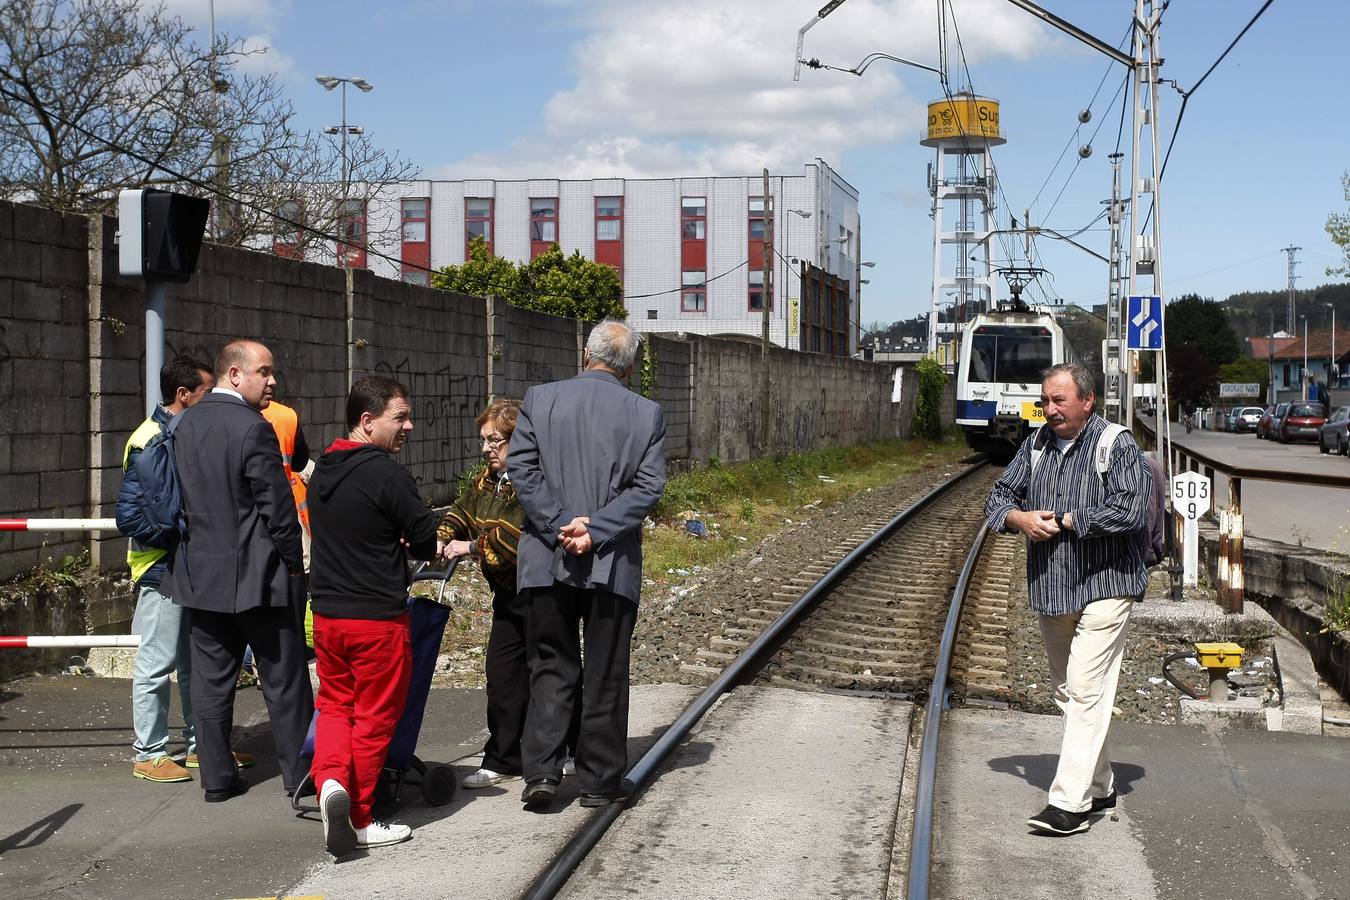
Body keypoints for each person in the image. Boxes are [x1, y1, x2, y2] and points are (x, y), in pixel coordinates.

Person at [984, 363, 1152, 836]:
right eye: (1045, 400)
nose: (1050, 409)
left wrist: (1068, 520)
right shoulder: (1035, 446)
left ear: (1087, 401)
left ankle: (1069, 805)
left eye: (1059, 400)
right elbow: (996, 499)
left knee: (1083, 688)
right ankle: (1101, 784)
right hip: (1054, 587)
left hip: (1108, 583)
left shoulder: (1115, 444)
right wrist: (1019, 519)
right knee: (1070, 692)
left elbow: (1131, 509)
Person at [509, 320, 667, 809]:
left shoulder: (539, 399)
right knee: (606, 669)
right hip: (611, 563)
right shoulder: (646, 413)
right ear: (630, 367)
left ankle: (542, 771)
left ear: (585, 354)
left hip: (546, 557)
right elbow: (648, 487)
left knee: (549, 662)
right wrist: (595, 529)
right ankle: (599, 781)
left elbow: (522, 469)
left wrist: (560, 524)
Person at [163, 340, 312, 804]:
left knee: (210, 683)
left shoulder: (184, 424)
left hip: (200, 577)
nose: (272, 381)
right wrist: (294, 567)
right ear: (234, 374)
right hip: (259, 578)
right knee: (284, 680)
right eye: (264, 371)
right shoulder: (254, 428)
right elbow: (277, 509)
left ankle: (216, 779)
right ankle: (300, 776)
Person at [308, 375, 441, 856]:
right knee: (375, 717)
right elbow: (424, 541)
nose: (409, 426)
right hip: (377, 620)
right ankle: (360, 818)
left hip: (327, 616)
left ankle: (330, 783)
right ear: (368, 421)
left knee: (334, 705)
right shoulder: (388, 476)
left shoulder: (324, 469)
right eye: (399, 417)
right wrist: (407, 537)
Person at [440, 399, 579, 790]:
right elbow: (464, 509)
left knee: (548, 672)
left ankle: (571, 747)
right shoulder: (490, 478)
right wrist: (443, 535)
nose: (486, 448)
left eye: (494, 440)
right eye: (484, 440)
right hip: (507, 594)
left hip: (542, 589)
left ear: (520, 440)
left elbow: (513, 537)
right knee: (502, 674)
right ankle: (504, 757)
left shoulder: (533, 479)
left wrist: (469, 547)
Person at [120, 356, 233, 783]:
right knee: (157, 661)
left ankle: (198, 747)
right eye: (206, 393)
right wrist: (176, 538)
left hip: (183, 566)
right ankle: (148, 754)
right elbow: (131, 516)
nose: (212, 401)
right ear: (183, 395)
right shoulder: (151, 439)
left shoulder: (176, 433)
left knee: (191, 664)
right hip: (161, 568)